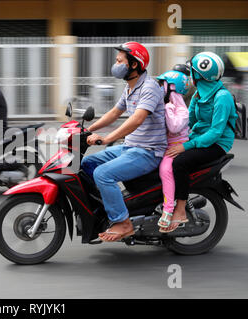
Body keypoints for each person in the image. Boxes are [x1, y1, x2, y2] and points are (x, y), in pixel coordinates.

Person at [81, 42, 167, 242]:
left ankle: (123, 223)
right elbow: (114, 112)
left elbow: (137, 119)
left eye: (120, 60)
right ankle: (105, 208)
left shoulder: (149, 87)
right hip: (130, 148)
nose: (116, 64)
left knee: (103, 174)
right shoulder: (130, 88)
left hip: (148, 152)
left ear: (134, 65)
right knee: (87, 164)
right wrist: (88, 129)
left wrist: (108, 138)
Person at [163, 52, 238, 233]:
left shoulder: (222, 97)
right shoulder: (198, 95)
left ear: (198, 76)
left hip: (217, 145)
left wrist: (184, 146)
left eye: (192, 73)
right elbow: (188, 121)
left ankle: (180, 210)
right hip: (198, 138)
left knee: (180, 163)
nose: (190, 76)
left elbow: (215, 132)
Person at [155, 66, 191, 232]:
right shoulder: (164, 105)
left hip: (177, 147)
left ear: (172, 88)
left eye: (162, 84)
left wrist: (168, 108)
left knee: (165, 170)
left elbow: (174, 127)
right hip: (165, 146)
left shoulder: (182, 110)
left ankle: (168, 210)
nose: (159, 87)